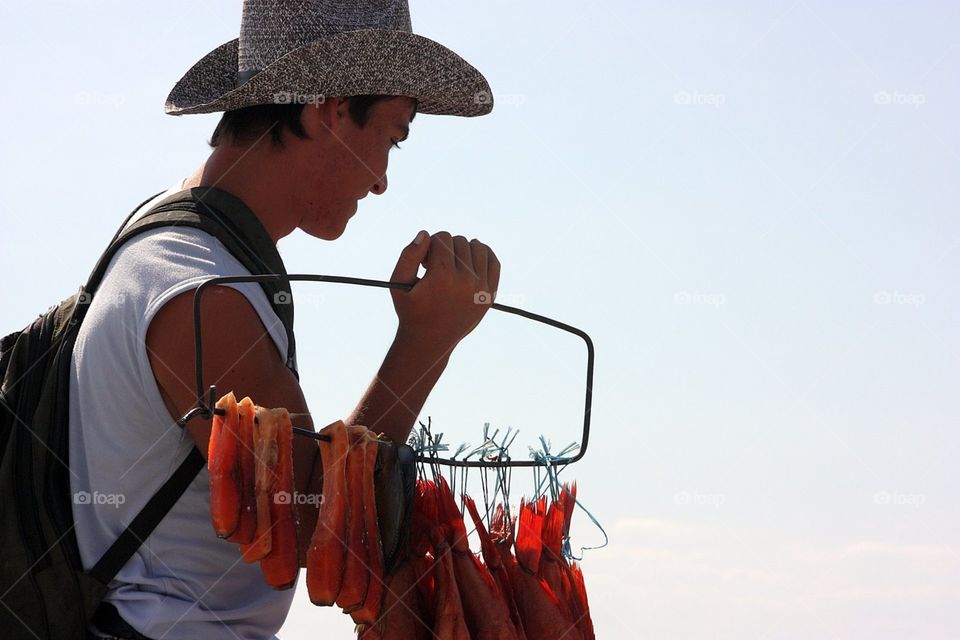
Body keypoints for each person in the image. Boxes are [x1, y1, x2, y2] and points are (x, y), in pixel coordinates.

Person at [68, 1, 498, 638]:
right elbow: (315, 528)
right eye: (393, 134)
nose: (382, 180)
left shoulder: (171, 241)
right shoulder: (204, 291)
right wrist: (426, 342)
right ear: (327, 108)